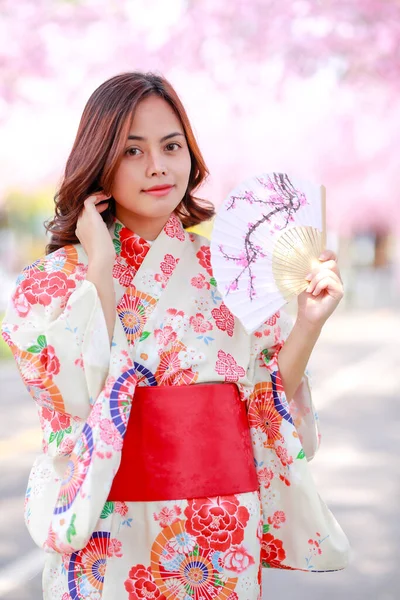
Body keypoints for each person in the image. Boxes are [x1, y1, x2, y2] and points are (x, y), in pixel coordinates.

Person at [1, 72, 349, 600]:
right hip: (108, 526)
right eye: (132, 151)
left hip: (219, 522)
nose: (159, 166)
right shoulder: (50, 281)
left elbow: (265, 397)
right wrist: (101, 265)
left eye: (171, 146)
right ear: (100, 163)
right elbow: (76, 400)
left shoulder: (230, 270)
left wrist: (307, 323)